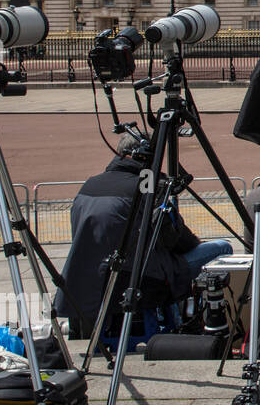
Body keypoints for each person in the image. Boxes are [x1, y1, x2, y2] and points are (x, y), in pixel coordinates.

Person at [55, 134, 233, 337]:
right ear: (146, 155)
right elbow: (175, 238)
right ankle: (209, 324)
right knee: (222, 248)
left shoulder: (90, 185)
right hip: (140, 280)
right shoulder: (147, 185)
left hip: (86, 281)